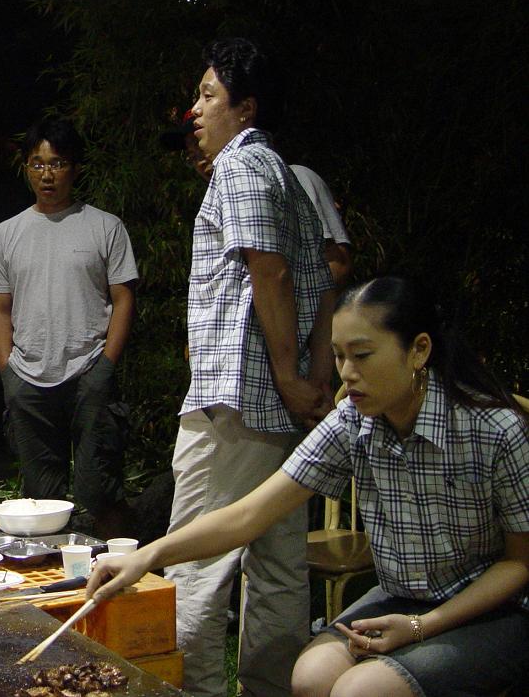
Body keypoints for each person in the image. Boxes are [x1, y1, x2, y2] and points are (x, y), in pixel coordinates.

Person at [89, 276, 529, 697]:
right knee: (310, 679)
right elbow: (249, 514)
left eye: (362, 355)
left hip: (491, 610)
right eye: (338, 356)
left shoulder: (493, 429)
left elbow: (519, 564)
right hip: (401, 598)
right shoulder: (354, 421)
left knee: (362, 690)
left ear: (419, 350)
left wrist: (421, 627)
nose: (347, 373)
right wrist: (147, 556)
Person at [164, 38, 337, 697]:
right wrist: (312, 382)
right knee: (278, 570)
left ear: (246, 108)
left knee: (195, 566)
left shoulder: (239, 165)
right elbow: (322, 284)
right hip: (277, 409)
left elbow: (270, 272)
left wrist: (291, 376)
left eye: (208, 95)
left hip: (235, 403)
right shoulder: (287, 176)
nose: (194, 109)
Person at [0, 119, 138, 536]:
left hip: (89, 369)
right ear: (26, 168)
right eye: (37, 164)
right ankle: (55, 572)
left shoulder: (105, 226)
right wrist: (8, 373)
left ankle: (124, 566)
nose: (47, 174)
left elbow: (123, 299)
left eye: (57, 163)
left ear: (75, 168)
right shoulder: (6, 234)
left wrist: (105, 367)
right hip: (28, 377)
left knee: (99, 488)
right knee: (41, 498)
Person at [169, 121, 353, 286]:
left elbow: (336, 265)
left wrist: (282, 310)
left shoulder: (293, 180)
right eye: (192, 156)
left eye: (200, 145)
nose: (200, 162)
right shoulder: (213, 214)